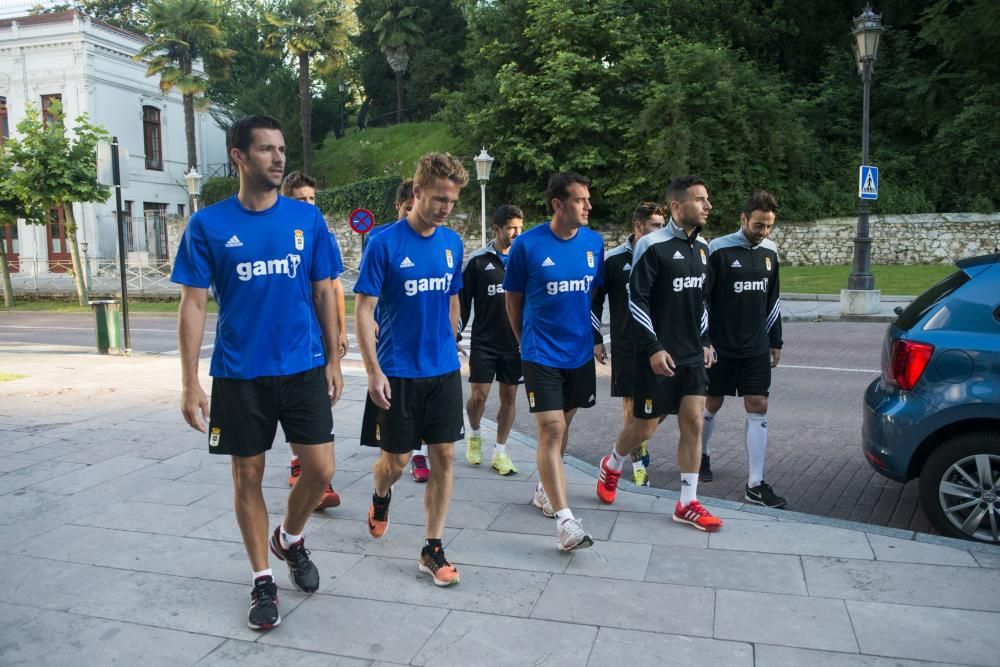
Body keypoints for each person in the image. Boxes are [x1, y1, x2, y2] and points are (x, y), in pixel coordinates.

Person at [172, 115, 344, 630]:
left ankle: (289, 538)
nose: (279, 158)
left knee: (321, 471)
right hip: (239, 375)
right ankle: (262, 579)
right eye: (267, 149)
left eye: (282, 149)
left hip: (303, 367)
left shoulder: (306, 221)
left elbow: (323, 291)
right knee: (248, 474)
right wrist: (189, 381)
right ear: (239, 156)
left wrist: (335, 359)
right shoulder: (208, 225)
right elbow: (194, 305)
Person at [354, 153, 468, 586]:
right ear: (417, 192)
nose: (444, 208)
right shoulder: (383, 244)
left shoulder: (452, 243)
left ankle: (432, 548)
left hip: (441, 370)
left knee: (444, 455)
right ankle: (381, 495)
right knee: (396, 462)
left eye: (452, 201)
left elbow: (453, 295)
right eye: (439, 198)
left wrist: (452, 336)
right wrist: (373, 370)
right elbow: (363, 310)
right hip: (398, 372)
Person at [595, 175, 723, 533]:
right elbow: (636, 300)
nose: (708, 206)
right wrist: (653, 347)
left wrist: (706, 338)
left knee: (693, 420)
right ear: (678, 207)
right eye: (700, 200)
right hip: (655, 354)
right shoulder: (651, 245)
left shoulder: (703, 249)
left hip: (692, 355)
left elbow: (701, 301)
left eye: (707, 199)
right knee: (645, 426)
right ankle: (614, 462)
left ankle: (687, 502)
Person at [504, 172, 604, 552]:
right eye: (581, 200)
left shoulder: (594, 243)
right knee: (551, 428)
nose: (588, 206)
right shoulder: (527, 246)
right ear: (558, 204)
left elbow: (591, 297)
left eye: (587, 199)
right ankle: (566, 522)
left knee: (565, 422)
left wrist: (593, 341)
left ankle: (545, 489)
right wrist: (524, 342)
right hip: (539, 352)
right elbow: (512, 301)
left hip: (577, 353)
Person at [701, 189, 786, 508]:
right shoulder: (718, 249)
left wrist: (775, 340)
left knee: (758, 404)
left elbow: (773, 299)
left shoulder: (770, 252)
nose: (763, 232)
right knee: (713, 401)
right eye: (758, 225)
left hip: (755, 347)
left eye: (768, 226)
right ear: (744, 219)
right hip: (721, 347)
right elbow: (703, 298)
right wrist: (705, 340)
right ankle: (702, 455)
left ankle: (755, 484)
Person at [280, 170, 345, 510]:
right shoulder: (281, 231)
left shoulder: (322, 234)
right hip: (290, 334)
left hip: (318, 332)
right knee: (299, 402)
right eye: (300, 199)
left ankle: (315, 470)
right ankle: (302, 463)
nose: (308, 204)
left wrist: (340, 331)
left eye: (312, 199)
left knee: (320, 400)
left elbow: (332, 286)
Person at [591, 202, 666, 487]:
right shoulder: (612, 259)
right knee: (632, 405)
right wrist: (596, 338)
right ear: (638, 226)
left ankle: (638, 436)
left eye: (662, 225)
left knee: (668, 402)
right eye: (655, 225)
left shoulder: (663, 253)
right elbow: (595, 301)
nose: (661, 230)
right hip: (626, 344)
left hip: (659, 343)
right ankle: (637, 467)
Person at [459, 205, 524, 475]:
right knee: (479, 397)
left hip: (515, 343)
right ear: (496, 229)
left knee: (509, 396)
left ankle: (500, 451)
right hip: (485, 341)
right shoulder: (477, 261)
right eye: (511, 228)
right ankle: (474, 434)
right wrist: (455, 334)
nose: (516, 233)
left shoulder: (525, 259)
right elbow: (462, 302)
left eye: (520, 228)